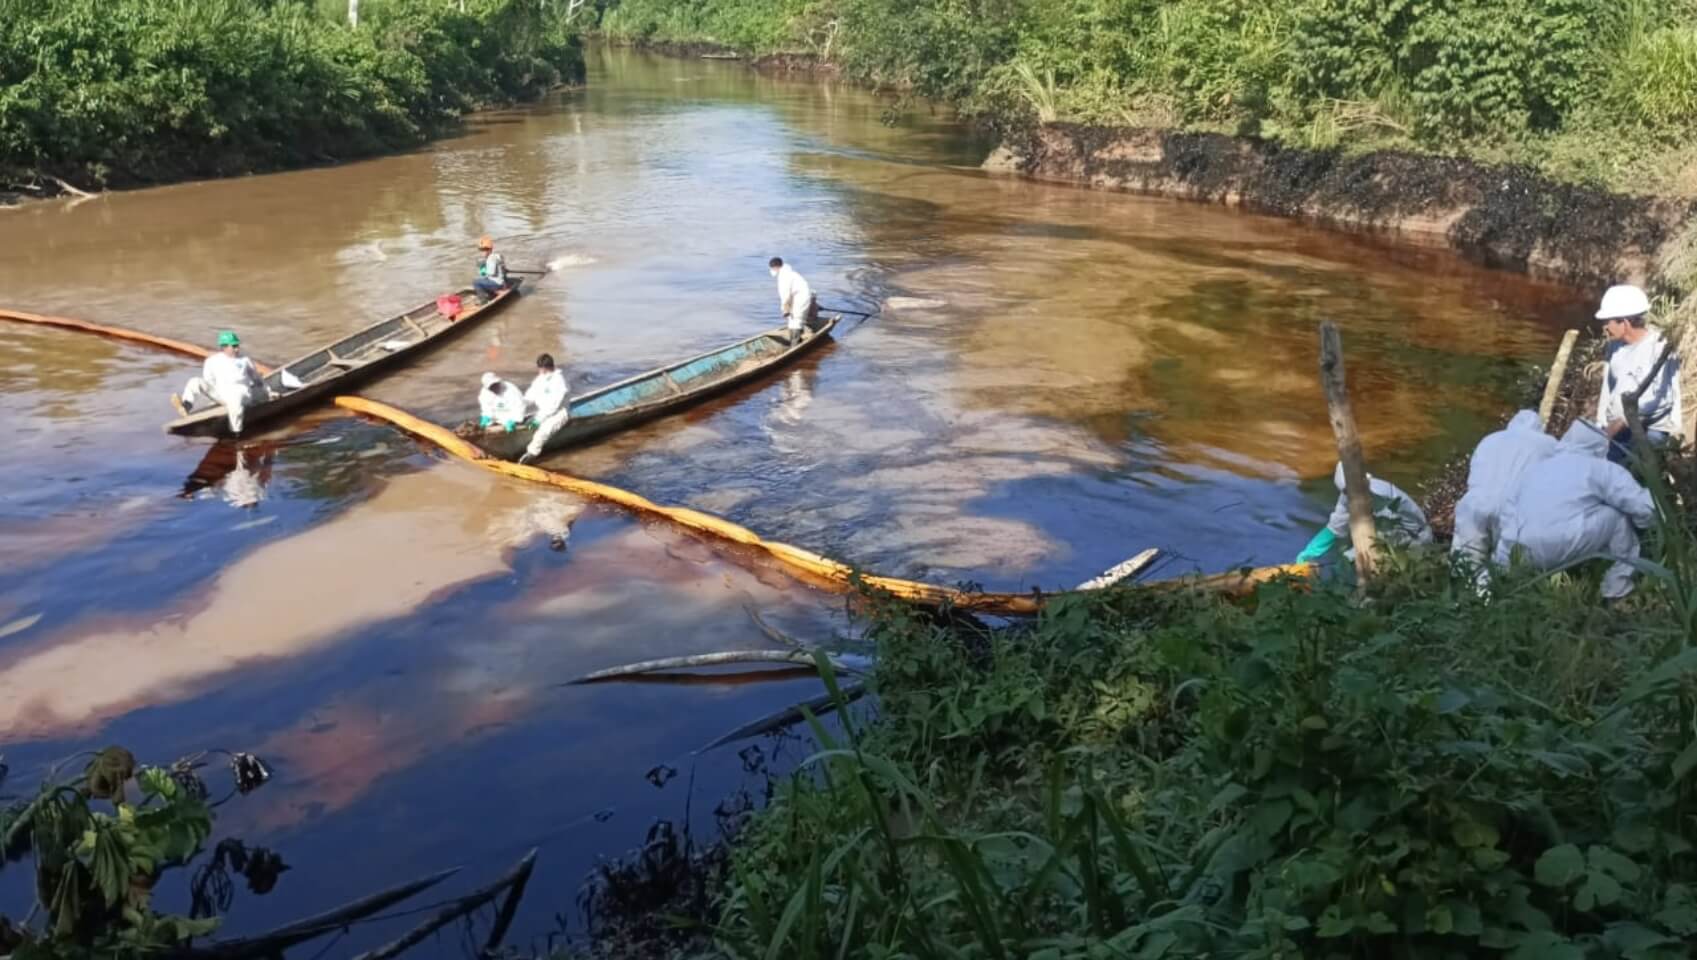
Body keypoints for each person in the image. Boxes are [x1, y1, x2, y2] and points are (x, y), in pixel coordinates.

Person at [1494, 420, 1655, 600]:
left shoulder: (1536, 469)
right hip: (1564, 542)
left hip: (1522, 550)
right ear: (1600, 444)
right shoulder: (1600, 468)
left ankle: (1514, 593)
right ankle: (1616, 588)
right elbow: (1642, 506)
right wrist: (1648, 525)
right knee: (1616, 518)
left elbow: (1508, 513)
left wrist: (1504, 555)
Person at [1450, 410, 1558, 567]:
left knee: (1465, 561)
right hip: (1513, 510)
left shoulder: (1489, 439)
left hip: (1476, 503)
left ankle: (1460, 588)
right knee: (1502, 568)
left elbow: (1475, 473)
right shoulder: (1549, 444)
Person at [1595, 283, 1682, 464]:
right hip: (1618, 429)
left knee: (1638, 475)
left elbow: (1661, 400)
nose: (1605, 327)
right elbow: (1609, 389)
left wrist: (1619, 423)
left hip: (1651, 429)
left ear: (1625, 322)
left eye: (1608, 321)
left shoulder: (1659, 347)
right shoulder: (1614, 347)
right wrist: (1602, 424)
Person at [1295, 462, 1432, 563]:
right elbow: (1335, 528)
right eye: (1346, 492)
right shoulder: (1347, 498)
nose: (1350, 494)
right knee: (1347, 557)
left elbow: (1388, 529)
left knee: (1352, 559)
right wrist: (1309, 553)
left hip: (1413, 537)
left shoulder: (1381, 495)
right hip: (1387, 537)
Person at [172, 330, 272, 434]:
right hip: (222, 394)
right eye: (233, 346)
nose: (237, 349)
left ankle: (236, 433)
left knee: (236, 401)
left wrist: (268, 391)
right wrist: (212, 399)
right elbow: (208, 381)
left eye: (237, 345)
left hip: (242, 393)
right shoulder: (212, 361)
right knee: (195, 382)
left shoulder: (245, 360)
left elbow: (257, 379)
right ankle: (186, 406)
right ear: (224, 347)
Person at [519, 352, 570, 465]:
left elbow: (553, 406)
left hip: (559, 414)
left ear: (547, 368)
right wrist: (520, 403)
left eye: (541, 368)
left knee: (542, 433)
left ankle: (530, 456)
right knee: (524, 422)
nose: (539, 371)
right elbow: (531, 394)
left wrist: (538, 420)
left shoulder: (559, 381)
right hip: (542, 412)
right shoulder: (541, 379)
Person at [770, 256, 819, 345]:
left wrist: (784, 308)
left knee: (796, 319)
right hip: (798, 296)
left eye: (772, 269)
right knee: (792, 319)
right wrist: (787, 309)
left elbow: (785, 294)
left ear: (775, 267)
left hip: (801, 297)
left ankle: (795, 343)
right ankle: (796, 338)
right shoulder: (788, 273)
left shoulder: (784, 276)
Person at [474, 236, 509, 303]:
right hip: (502, 282)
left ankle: (483, 300)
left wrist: (482, 270)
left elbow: (491, 273)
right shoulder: (498, 255)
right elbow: (504, 270)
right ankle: (498, 290)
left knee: (476, 282)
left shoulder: (490, 259)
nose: (483, 252)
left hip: (497, 284)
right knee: (482, 279)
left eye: (485, 250)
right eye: (482, 250)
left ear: (490, 249)